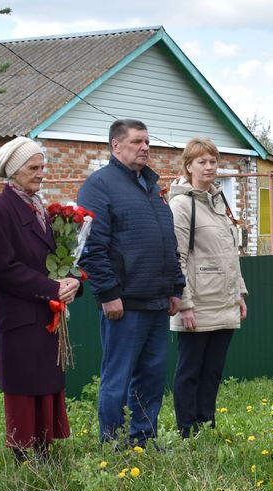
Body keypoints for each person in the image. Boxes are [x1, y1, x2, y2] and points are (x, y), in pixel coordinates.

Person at [77, 119, 185, 449]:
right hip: (124, 302)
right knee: (117, 377)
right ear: (116, 146)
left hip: (156, 299)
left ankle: (143, 438)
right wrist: (108, 293)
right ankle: (112, 442)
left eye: (147, 141)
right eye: (137, 141)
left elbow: (168, 241)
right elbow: (91, 246)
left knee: (151, 376)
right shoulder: (100, 186)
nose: (145, 147)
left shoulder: (151, 187)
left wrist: (175, 287)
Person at [0, 137, 81, 461]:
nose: (41, 174)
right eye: (33, 168)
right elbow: (2, 267)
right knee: (25, 383)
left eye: (42, 167)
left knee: (46, 377)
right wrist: (51, 288)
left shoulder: (38, 206)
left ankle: (44, 447)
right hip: (19, 313)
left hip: (43, 312)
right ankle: (23, 451)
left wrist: (69, 282)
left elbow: (51, 256)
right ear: (13, 170)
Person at [166, 138, 248, 439]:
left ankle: (206, 425)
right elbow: (177, 256)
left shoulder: (218, 201)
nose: (210, 166)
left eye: (213, 160)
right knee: (190, 371)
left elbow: (229, 253)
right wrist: (185, 304)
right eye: (202, 161)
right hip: (198, 303)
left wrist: (238, 293)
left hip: (223, 301)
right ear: (189, 166)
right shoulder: (181, 204)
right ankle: (187, 430)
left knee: (212, 370)